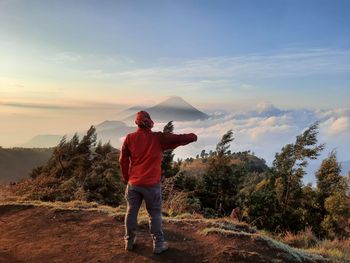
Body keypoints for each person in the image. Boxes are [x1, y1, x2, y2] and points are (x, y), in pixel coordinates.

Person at [119, 111, 197, 254]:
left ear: (136, 122)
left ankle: (129, 241)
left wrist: (126, 178)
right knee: (154, 214)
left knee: (131, 211)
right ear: (150, 122)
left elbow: (123, 161)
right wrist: (193, 137)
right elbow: (178, 139)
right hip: (151, 185)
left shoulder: (129, 138)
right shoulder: (158, 138)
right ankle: (158, 244)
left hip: (134, 184)